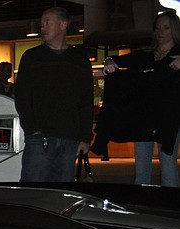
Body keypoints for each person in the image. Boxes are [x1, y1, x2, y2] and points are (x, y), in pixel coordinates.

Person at [99, 10, 180, 187]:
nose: (161, 32)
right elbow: (114, 60)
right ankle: (142, 206)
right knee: (142, 170)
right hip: (144, 118)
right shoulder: (145, 56)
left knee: (168, 167)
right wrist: (109, 61)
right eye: (158, 28)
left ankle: (171, 209)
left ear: (174, 30)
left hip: (169, 118)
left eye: (166, 28)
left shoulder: (178, 54)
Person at [15, 7, 93, 182]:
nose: (42, 27)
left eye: (47, 23)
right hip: (39, 138)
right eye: (41, 24)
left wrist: (85, 137)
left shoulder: (79, 59)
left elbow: (86, 100)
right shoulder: (31, 57)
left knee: (60, 194)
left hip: (70, 138)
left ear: (63, 24)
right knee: (33, 193)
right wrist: (32, 129)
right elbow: (22, 96)